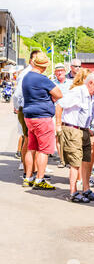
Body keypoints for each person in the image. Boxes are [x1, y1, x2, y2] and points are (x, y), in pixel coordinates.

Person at [55, 72, 94, 202]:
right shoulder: (78, 92)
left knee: (87, 160)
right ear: (90, 83)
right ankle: (73, 192)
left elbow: (83, 114)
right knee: (75, 162)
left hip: (83, 130)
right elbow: (60, 105)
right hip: (73, 129)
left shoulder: (90, 95)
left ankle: (86, 189)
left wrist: (88, 129)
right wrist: (58, 125)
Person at [22, 52, 63, 190]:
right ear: (44, 67)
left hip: (29, 115)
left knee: (31, 147)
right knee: (44, 150)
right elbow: (59, 94)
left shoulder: (26, 77)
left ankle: (28, 177)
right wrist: (50, 99)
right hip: (42, 117)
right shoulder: (42, 79)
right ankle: (40, 179)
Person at [13, 50, 40, 178]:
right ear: (31, 60)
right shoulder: (26, 74)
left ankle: (33, 171)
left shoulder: (31, 73)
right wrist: (19, 108)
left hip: (28, 108)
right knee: (28, 140)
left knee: (31, 140)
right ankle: (27, 172)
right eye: (36, 59)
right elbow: (17, 95)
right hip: (26, 108)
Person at [53, 63, 73, 168]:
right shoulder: (52, 83)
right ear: (55, 73)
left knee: (69, 136)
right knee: (58, 136)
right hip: (56, 113)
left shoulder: (71, 83)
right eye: (57, 71)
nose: (59, 72)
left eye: (61, 70)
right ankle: (62, 159)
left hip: (69, 112)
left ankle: (69, 159)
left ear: (65, 72)